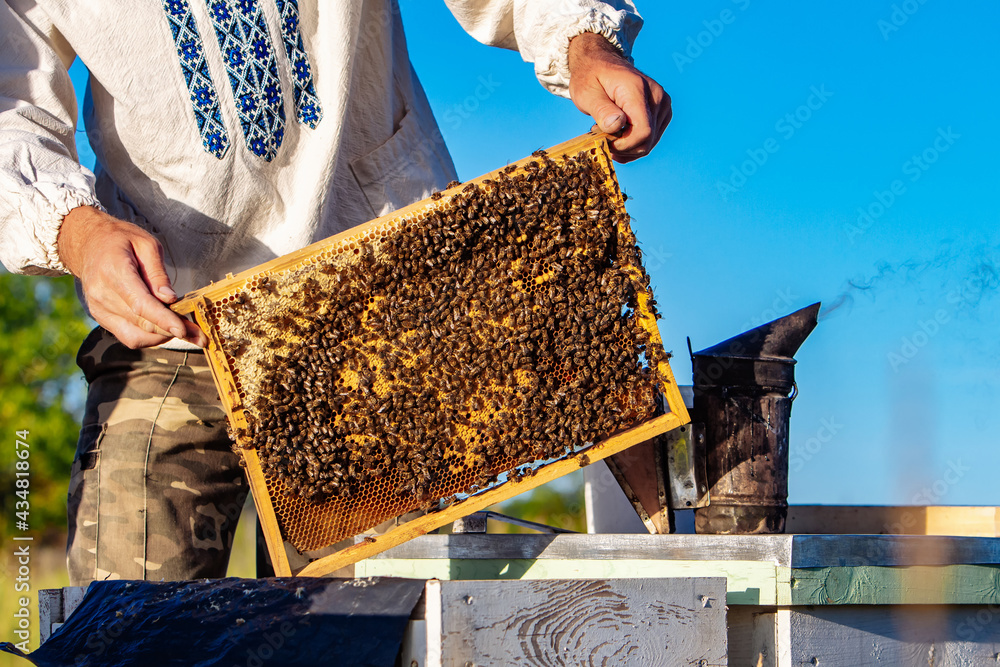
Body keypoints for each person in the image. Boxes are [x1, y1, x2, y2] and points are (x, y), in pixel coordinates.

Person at [0, 0, 671, 585]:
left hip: (379, 311)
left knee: (369, 619)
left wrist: (585, 41)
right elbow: (11, 105)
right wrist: (76, 232)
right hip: (175, 316)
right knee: (129, 616)